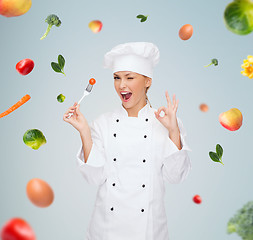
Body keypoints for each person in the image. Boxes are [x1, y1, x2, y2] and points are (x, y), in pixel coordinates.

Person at [63, 42, 192, 240]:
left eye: (129, 78)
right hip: (106, 230)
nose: (122, 85)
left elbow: (176, 176)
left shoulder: (166, 122)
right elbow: (94, 178)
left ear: (148, 81)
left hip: (150, 232)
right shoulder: (102, 123)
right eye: (117, 78)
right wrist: (84, 131)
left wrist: (173, 129)